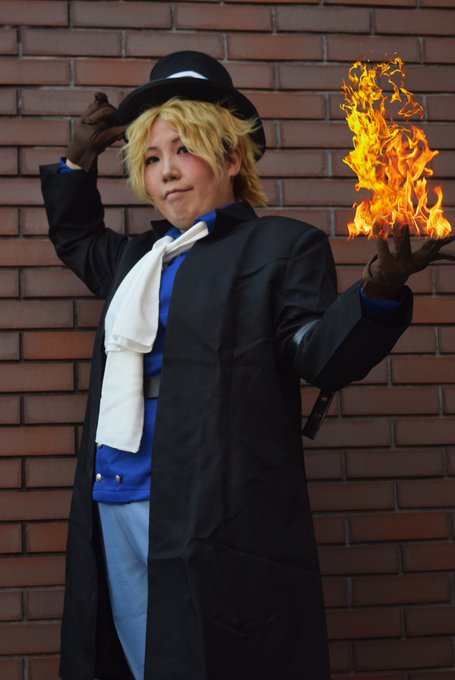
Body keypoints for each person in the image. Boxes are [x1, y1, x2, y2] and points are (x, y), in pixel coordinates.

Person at [40, 51, 454, 680]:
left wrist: (379, 292)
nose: (166, 172)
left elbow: (315, 353)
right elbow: (75, 236)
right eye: (150, 158)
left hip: (213, 508)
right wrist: (77, 163)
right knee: (137, 662)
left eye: (184, 150)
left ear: (232, 158)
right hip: (115, 493)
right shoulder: (134, 260)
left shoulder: (282, 247)